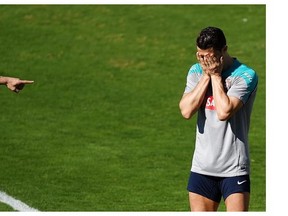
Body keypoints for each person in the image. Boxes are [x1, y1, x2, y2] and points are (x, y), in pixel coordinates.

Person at [179, 26, 258, 211]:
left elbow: (224, 112)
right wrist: (207, 75)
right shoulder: (196, 71)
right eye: (200, 55)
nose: (204, 61)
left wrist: (215, 75)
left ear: (224, 50)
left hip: (234, 169)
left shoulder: (245, 75)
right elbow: (186, 110)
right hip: (201, 168)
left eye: (209, 56)